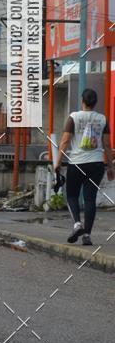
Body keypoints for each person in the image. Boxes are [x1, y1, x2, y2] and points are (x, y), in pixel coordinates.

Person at [55, 88, 115, 245]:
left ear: (83, 101)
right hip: (96, 165)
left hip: (77, 163)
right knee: (90, 199)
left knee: (72, 195)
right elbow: (107, 145)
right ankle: (87, 236)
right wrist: (110, 167)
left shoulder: (74, 117)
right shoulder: (103, 119)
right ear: (95, 103)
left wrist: (58, 161)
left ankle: (77, 224)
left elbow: (65, 141)